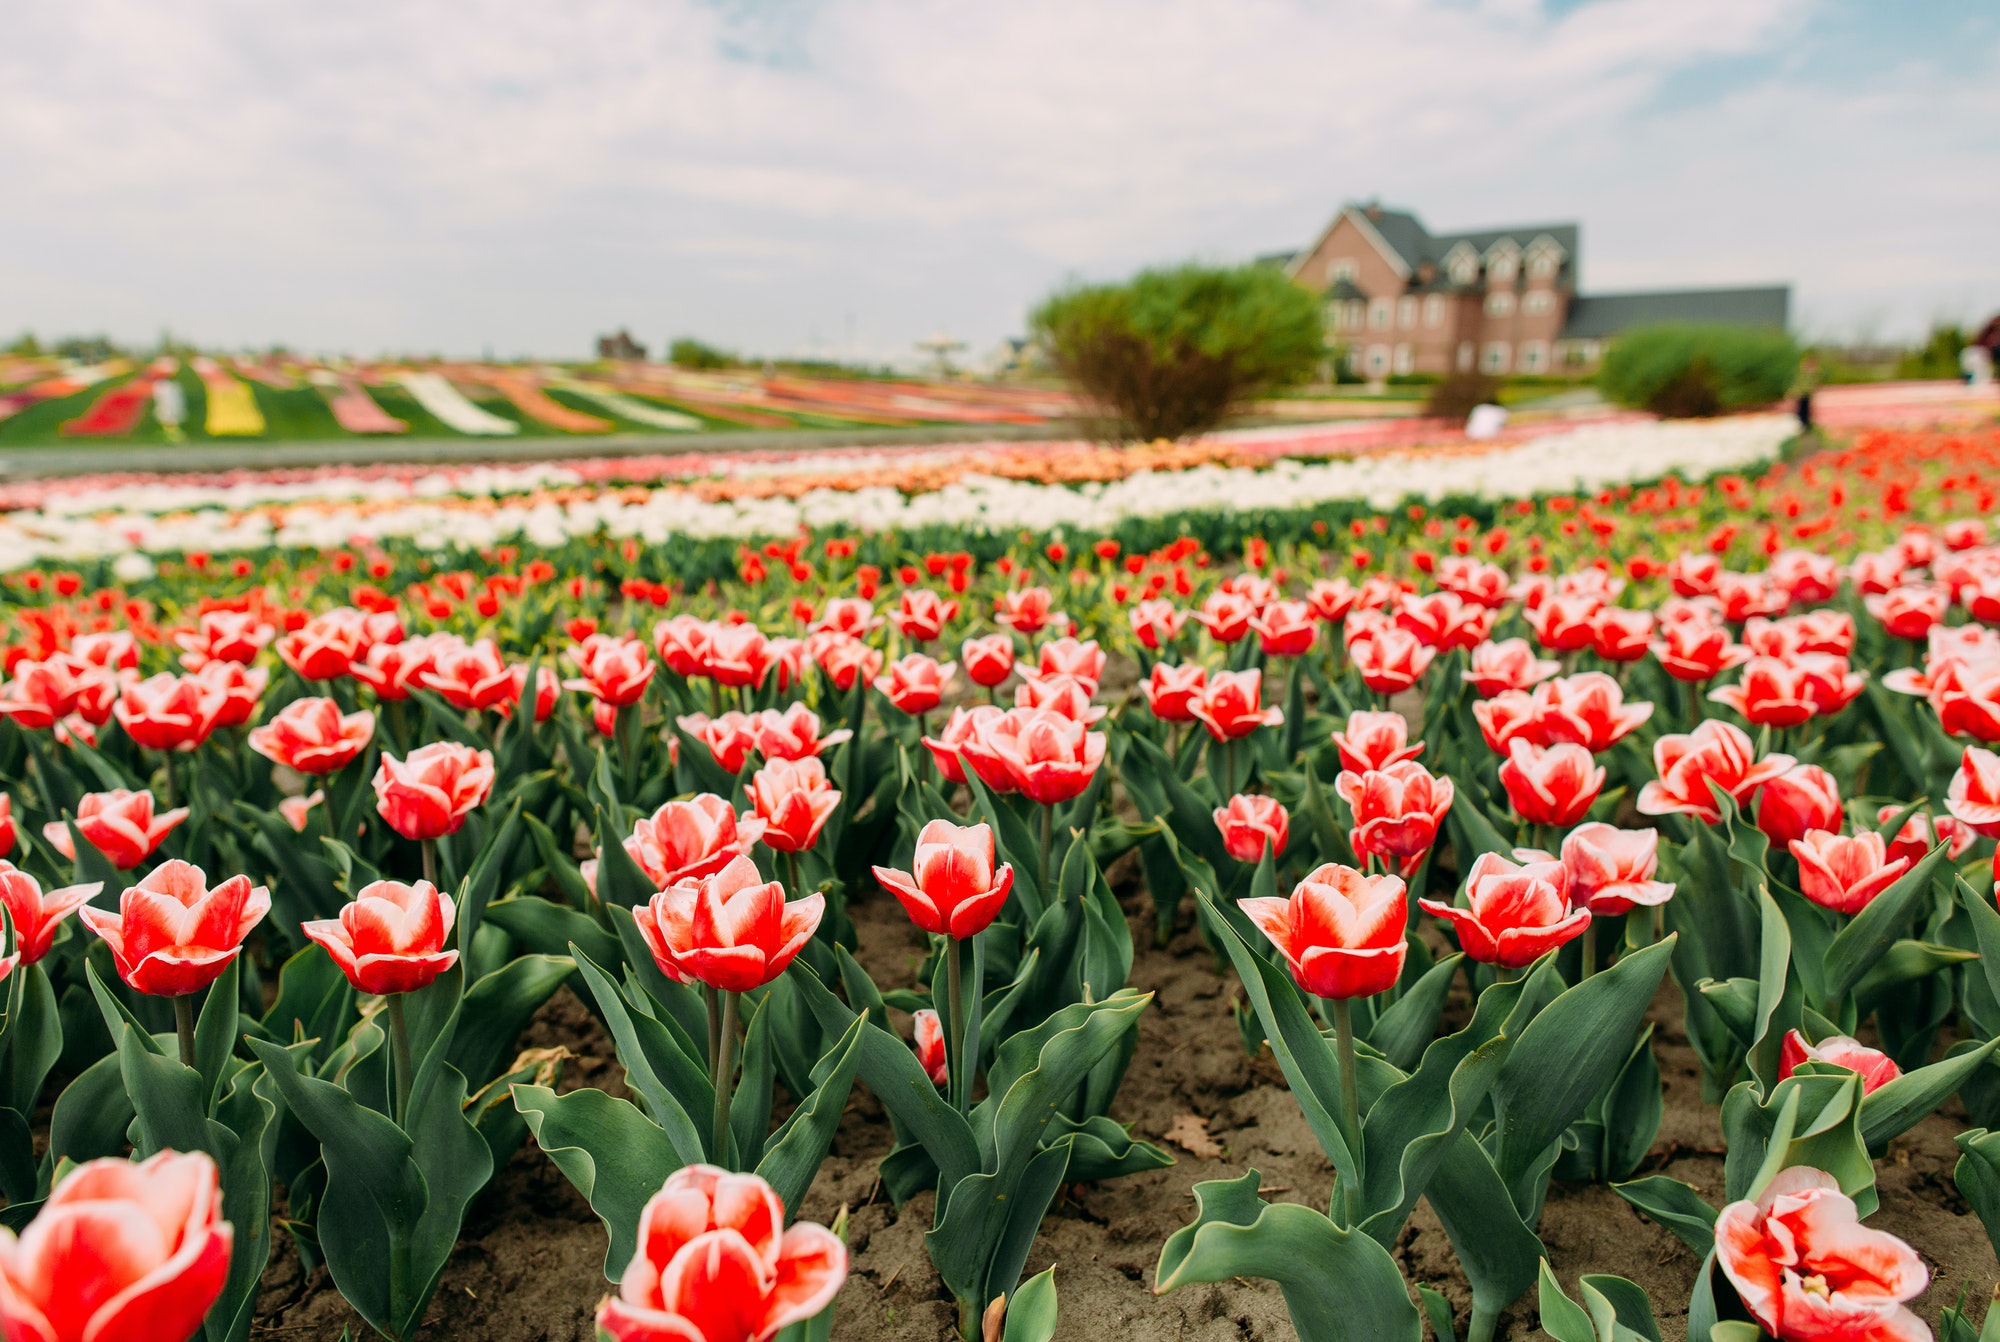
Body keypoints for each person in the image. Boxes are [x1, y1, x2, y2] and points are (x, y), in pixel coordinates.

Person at [1793, 352, 1821, 431]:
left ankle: (1805, 425)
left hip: (1806, 394)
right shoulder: (1803, 374)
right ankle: (1803, 424)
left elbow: (1813, 384)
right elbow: (1799, 384)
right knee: (1801, 410)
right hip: (1802, 394)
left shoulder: (1812, 374)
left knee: (1805, 410)